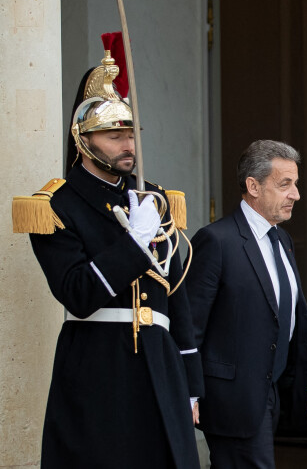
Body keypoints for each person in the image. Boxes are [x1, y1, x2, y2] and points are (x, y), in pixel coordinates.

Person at [18, 38, 203, 469]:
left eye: (131, 133)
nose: (128, 145)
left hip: (160, 364)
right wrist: (132, 245)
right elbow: (78, 294)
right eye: (114, 135)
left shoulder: (153, 197)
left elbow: (176, 295)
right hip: (97, 367)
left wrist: (191, 381)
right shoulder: (56, 205)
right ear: (83, 139)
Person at [186, 140, 307, 468]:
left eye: (295, 184)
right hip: (232, 398)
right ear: (253, 186)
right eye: (285, 184)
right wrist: (188, 391)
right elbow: (190, 325)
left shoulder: (281, 239)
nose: (296, 194)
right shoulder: (216, 240)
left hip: (272, 394)